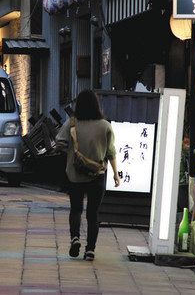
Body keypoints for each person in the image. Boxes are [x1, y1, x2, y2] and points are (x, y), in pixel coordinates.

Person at [56, 89, 120, 261]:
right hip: (97, 175)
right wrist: (116, 174)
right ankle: (90, 250)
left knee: (76, 209)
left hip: (75, 175)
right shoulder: (105, 126)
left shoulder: (72, 123)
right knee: (93, 214)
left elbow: (59, 142)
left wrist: (72, 150)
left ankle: (75, 237)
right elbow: (111, 152)